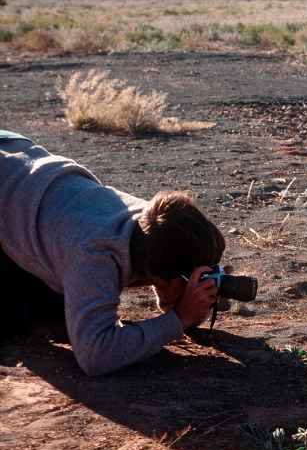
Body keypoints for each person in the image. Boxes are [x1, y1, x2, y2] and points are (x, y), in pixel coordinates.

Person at [0, 130, 224, 376]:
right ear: (162, 277)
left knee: (56, 311)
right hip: (10, 165)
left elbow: (164, 259)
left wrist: (185, 302)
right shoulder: (95, 254)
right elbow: (95, 355)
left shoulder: (154, 223)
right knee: (14, 322)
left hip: (19, 164)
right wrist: (179, 318)